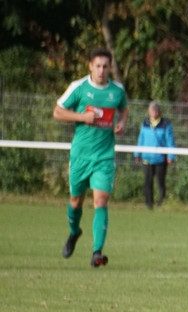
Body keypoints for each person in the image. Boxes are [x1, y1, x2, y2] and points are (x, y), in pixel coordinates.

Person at [53, 47, 129, 268]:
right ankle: (74, 232)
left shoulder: (117, 91)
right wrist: (81, 117)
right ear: (90, 66)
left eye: (105, 66)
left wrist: (122, 123)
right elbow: (57, 112)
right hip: (80, 156)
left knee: (101, 200)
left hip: (104, 158)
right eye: (98, 66)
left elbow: (124, 109)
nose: (102, 70)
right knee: (76, 201)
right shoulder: (79, 88)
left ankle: (97, 252)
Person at [133, 101, 177, 209]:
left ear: (159, 111)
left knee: (160, 181)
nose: (153, 112)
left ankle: (161, 201)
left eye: (155, 110)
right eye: (151, 110)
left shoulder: (165, 124)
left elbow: (170, 141)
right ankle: (149, 203)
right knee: (147, 182)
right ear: (149, 111)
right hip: (147, 158)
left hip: (160, 159)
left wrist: (171, 156)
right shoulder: (145, 124)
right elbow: (141, 139)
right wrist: (137, 154)